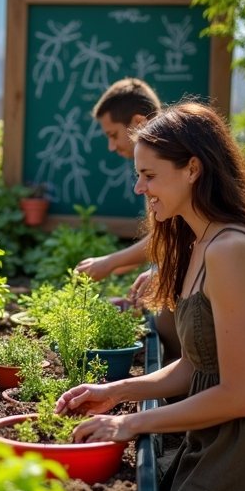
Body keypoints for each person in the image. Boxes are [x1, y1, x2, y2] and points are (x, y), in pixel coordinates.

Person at [57, 101, 245, 491]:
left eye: (148, 175)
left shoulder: (231, 249)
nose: (138, 187)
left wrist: (129, 428)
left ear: (192, 169)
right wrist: (117, 394)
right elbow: (196, 366)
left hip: (238, 446)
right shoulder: (195, 242)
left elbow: (239, 393)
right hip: (212, 437)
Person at [75, 77, 181, 361]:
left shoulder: (170, 166)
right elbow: (169, 238)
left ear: (137, 122)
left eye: (112, 135)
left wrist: (111, 262)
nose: (111, 146)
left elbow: (171, 237)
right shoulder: (156, 165)